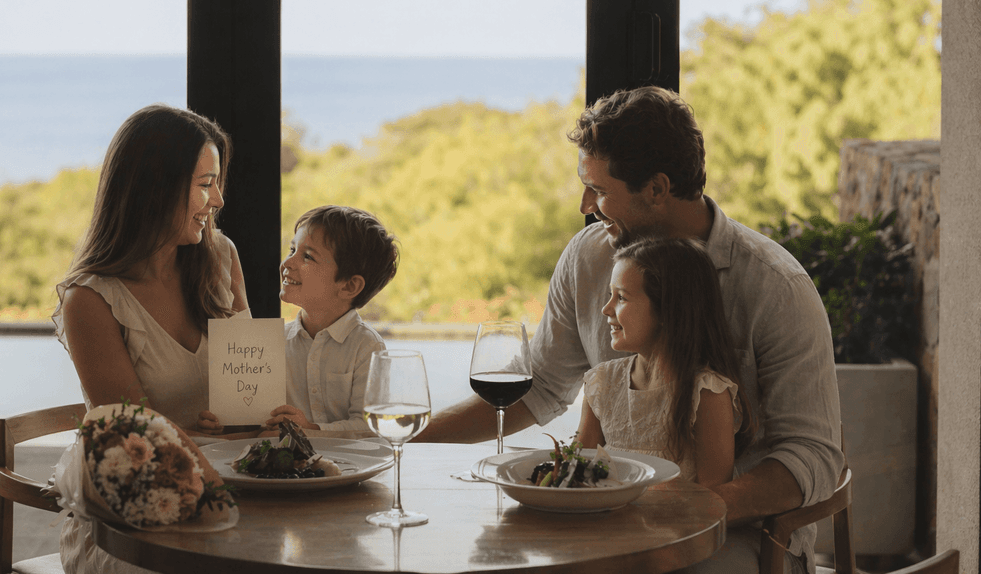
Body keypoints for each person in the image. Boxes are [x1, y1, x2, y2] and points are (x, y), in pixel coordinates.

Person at [418, 86, 844, 574]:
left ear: (658, 189)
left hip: (744, 537)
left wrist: (687, 510)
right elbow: (537, 388)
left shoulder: (775, 286)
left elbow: (812, 455)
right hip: (613, 525)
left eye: (599, 190)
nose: (585, 205)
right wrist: (407, 442)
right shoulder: (589, 257)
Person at [52, 103, 249, 574]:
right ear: (154, 189)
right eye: (205, 184)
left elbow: (249, 391)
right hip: (134, 524)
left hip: (229, 497)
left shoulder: (221, 257)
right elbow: (142, 445)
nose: (218, 199)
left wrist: (259, 419)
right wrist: (217, 440)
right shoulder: (90, 300)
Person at [576, 237, 754, 489]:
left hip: (677, 528)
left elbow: (712, 503)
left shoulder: (706, 393)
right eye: (610, 295)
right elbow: (575, 474)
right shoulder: (601, 382)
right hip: (604, 526)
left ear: (668, 310)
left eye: (622, 298)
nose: (606, 309)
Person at [262, 205, 399, 434]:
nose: (287, 263)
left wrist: (311, 429)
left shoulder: (368, 348)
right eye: (292, 249)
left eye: (307, 256)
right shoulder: (273, 342)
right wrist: (224, 424)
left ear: (349, 285)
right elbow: (260, 417)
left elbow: (369, 426)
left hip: (352, 467)